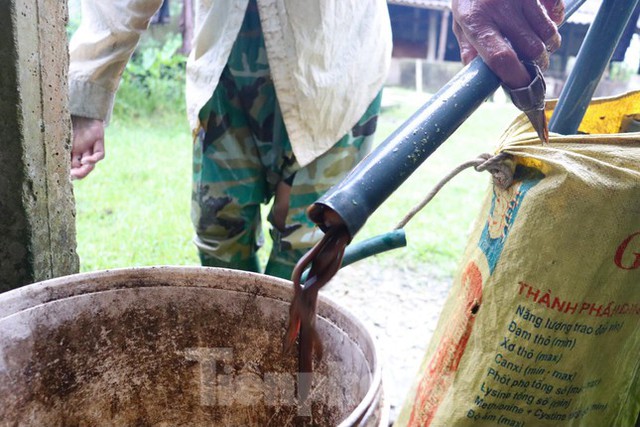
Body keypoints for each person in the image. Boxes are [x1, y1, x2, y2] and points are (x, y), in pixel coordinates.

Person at [68, 0, 392, 279]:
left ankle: (284, 345)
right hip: (224, 61)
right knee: (219, 231)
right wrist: (90, 86)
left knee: (307, 248)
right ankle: (238, 338)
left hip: (335, 62)